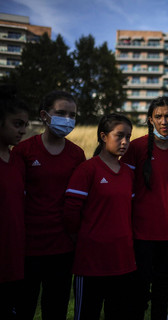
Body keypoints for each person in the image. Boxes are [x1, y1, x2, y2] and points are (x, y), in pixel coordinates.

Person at [13, 90, 85, 320]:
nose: (67, 119)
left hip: (63, 249)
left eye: (72, 115)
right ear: (45, 115)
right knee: (23, 308)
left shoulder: (77, 155)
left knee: (56, 310)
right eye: (61, 113)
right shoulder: (23, 151)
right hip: (27, 249)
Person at [121, 96, 168, 320]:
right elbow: (124, 190)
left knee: (161, 295)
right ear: (150, 119)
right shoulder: (136, 147)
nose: (164, 121)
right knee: (138, 296)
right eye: (158, 116)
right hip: (141, 236)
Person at [63, 113, 136, 320]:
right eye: (119, 136)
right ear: (103, 136)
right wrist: (86, 239)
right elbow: (70, 214)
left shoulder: (128, 174)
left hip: (123, 261)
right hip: (91, 263)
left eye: (128, 137)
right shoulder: (87, 170)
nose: (125, 142)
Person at [0, 85, 29, 320]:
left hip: (16, 261)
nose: (23, 130)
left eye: (25, 125)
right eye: (17, 124)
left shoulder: (17, 160)